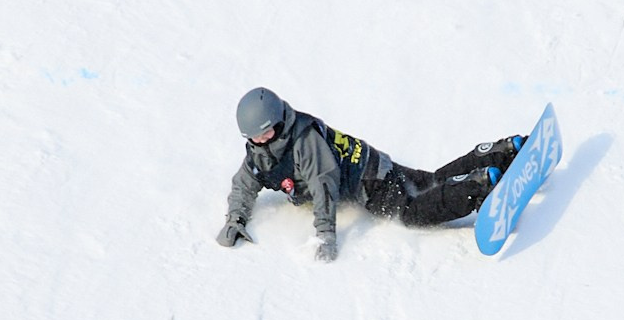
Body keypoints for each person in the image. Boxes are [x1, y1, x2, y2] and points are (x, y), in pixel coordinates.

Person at [217, 88, 527, 261]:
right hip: (375, 163)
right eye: (253, 137)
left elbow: (323, 186)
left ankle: (479, 186)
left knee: (412, 213)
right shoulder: (263, 153)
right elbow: (243, 184)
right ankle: (500, 151)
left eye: (265, 133)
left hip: (369, 182)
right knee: (432, 182)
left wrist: (325, 234)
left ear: (279, 121)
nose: (259, 140)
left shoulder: (302, 142)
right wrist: (236, 219)